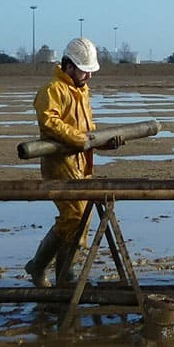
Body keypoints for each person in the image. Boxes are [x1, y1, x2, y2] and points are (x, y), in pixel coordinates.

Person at [25, 36, 123, 287]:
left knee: (83, 217)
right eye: (84, 71)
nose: (89, 77)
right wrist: (80, 140)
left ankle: (63, 273)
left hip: (81, 163)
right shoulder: (52, 91)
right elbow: (50, 122)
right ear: (69, 66)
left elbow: (88, 130)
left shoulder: (81, 92)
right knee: (73, 216)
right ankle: (41, 267)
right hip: (59, 165)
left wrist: (103, 142)